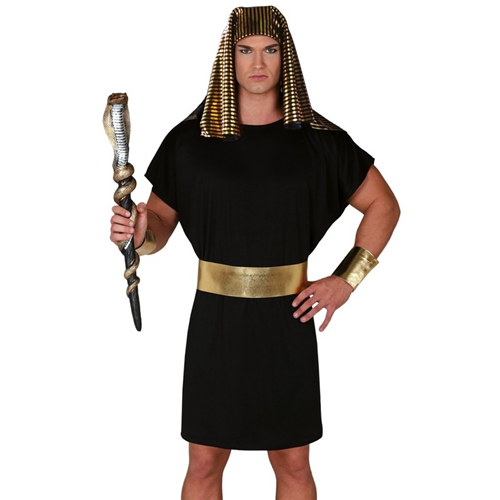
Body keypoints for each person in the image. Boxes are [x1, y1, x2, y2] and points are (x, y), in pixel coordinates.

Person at [110, 6, 400, 500]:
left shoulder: (320, 141)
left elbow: (383, 205)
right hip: (216, 318)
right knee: (204, 461)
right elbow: (158, 225)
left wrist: (346, 279)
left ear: (286, 58)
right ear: (230, 57)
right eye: (246, 50)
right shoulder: (191, 140)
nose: (258, 62)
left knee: (293, 462)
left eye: (269, 50)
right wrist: (139, 233)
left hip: (287, 316)